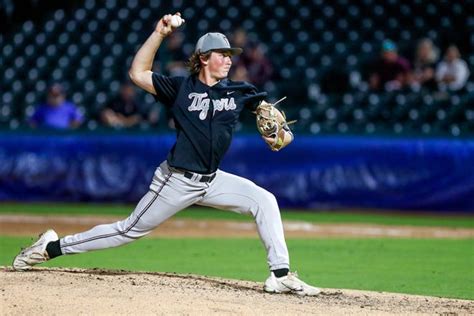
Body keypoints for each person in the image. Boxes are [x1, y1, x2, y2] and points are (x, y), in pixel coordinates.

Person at [13, 13, 320, 296]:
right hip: (176, 180)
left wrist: (283, 134)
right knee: (128, 230)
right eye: (222, 54)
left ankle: (280, 274)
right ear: (203, 58)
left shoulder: (238, 92)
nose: (228, 60)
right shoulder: (180, 89)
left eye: (230, 54)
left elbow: (276, 126)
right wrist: (159, 33)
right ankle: (51, 248)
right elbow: (137, 73)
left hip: (211, 180)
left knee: (264, 200)